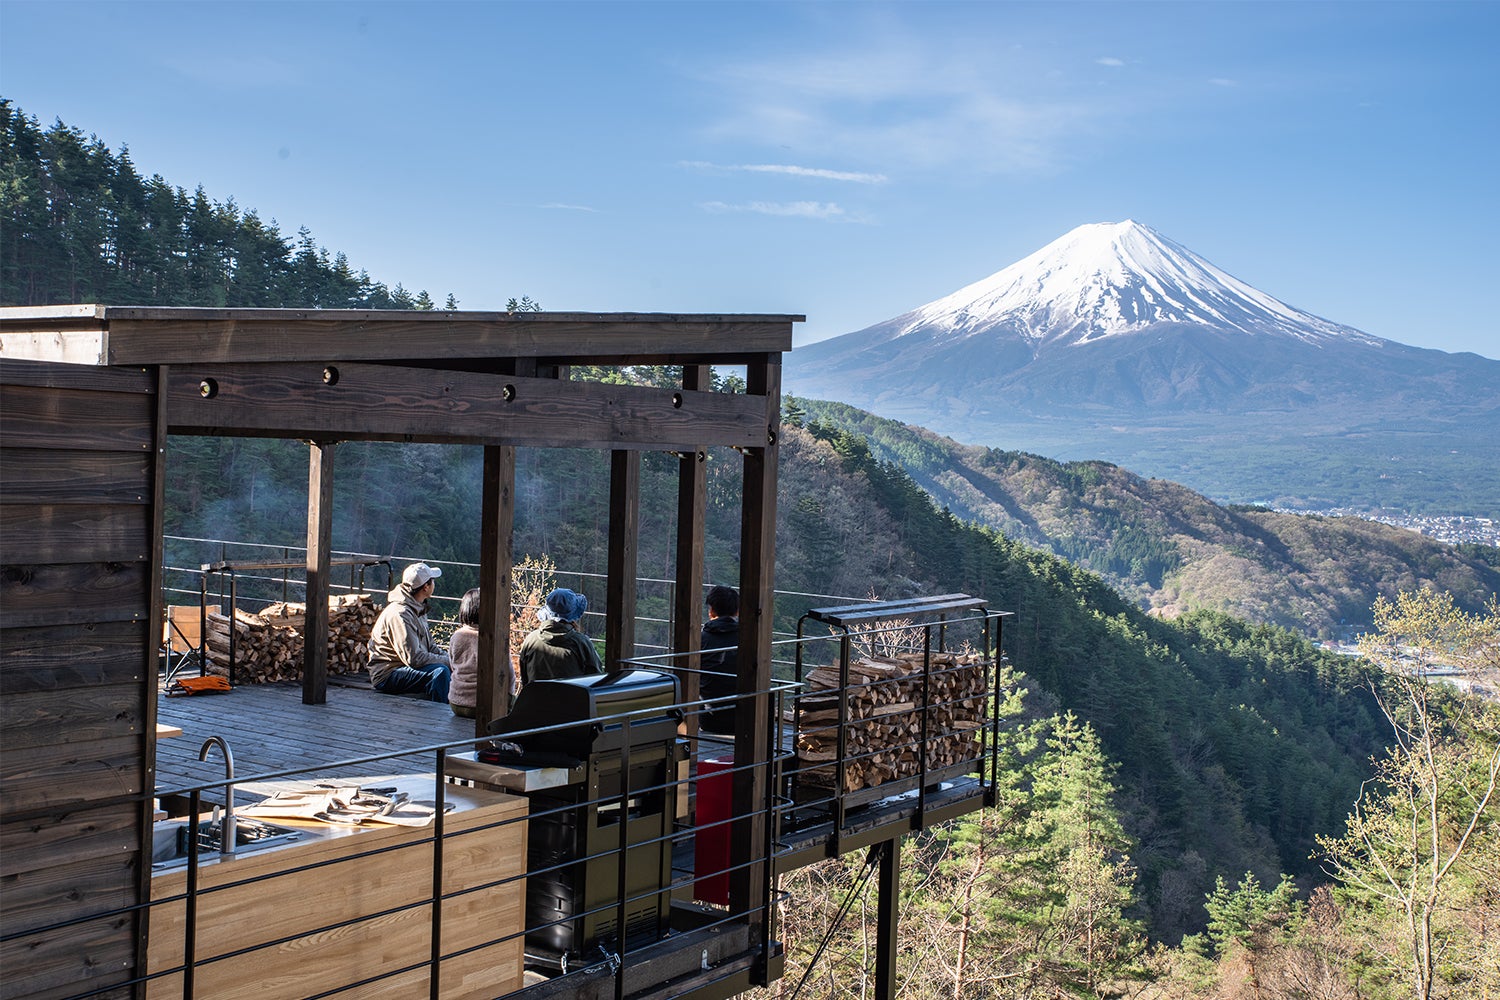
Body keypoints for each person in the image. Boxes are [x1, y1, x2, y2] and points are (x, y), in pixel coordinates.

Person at [367, 562, 451, 702]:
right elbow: (414, 658)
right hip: (388, 673)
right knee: (440, 673)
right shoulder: (401, 614)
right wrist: (447, 662)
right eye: (433, 581)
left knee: (448, 668)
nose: (434, 584)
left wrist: (451, 660)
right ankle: (440, 715)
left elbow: (431, 647)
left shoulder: (417, 607)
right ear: (426, 587)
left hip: (403, 666)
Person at [446, 588, 518, 719]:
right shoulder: (494, 638)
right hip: (484, 706)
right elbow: (509, 675)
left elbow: (452, 665)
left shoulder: (456, 636)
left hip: (456, 703)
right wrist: (508, 700)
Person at [517, 587, 603, 684]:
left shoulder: (530, 641)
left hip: (535, 698)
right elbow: (596, 679)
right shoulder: (581, 643)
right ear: (573, 616)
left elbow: (524, 679)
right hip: (571, 699)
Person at [699, 584, 739, 734]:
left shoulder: (700, 639)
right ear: (736, 611)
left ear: (711, 611)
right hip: (745, 718)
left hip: (708, 718)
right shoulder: (749, 638)